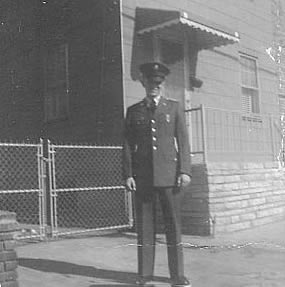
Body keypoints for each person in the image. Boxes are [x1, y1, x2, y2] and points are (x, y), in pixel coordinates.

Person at [123, 62, 192, 287]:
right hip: (143, 178)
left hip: (170, 176)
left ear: (162, 85)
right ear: (143, 83)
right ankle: (144, 275)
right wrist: (128, 174)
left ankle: (177, 276)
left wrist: (184, 171)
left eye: (158, 84)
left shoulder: (173, 108)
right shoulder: (134, 111)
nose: (154, 87)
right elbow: (127, 144)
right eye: (150, 83)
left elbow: (182, 141)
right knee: (145, 228)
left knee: (173, 226)